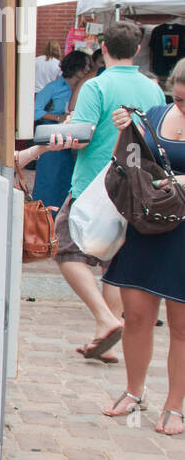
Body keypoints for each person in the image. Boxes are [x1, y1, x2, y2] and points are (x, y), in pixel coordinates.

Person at [52, 20, 166, 361]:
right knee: (114, 259)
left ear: (103, 50)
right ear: (137, 50)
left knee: (65, 247)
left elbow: (81, 135)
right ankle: (109, 327)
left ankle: (104, 318)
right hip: (136, 184)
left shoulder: (95, 87)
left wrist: (65, 128)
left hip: (95, 183)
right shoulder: (154, 91)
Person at [100, 58, 185, 434]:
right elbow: (128, 163)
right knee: (135, 315)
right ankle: (134, 391)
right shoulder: (155, 113)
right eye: (180, 98)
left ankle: (175, 404)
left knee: (182, 325)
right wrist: (125, 131)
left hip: (183, 232)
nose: (182, 106)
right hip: (148, 225)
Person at [32, 50, 92, 211]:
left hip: (76, 144)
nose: (88, 70)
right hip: (54, 143)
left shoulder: (87, 89)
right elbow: (35, 110)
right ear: (77, 67)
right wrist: (59, 117)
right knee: (50, 182)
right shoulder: (54, 87)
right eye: (86, 66)